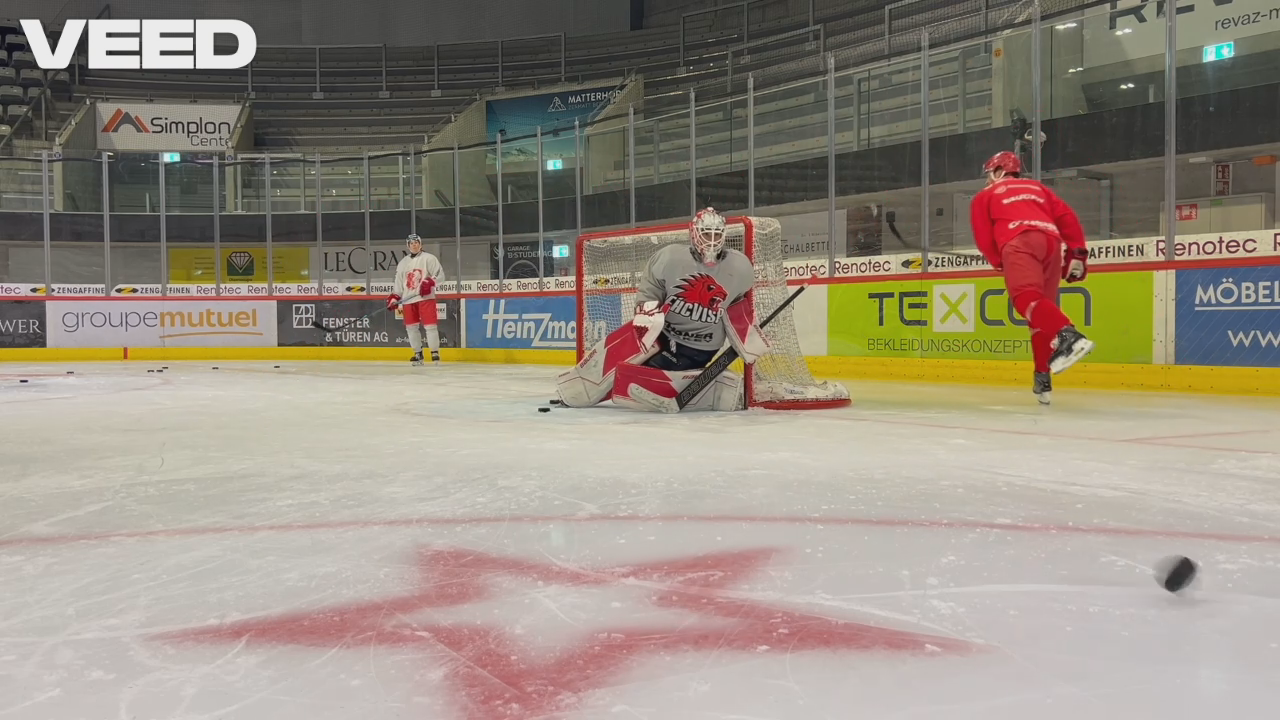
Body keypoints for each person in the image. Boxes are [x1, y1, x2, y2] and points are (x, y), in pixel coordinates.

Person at [556, 208, 770, 412]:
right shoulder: (670, 258)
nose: (711, 240)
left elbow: (738, 304)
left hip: (698, 347)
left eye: (716, 234)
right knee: (623, 348)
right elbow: (651, 289)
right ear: (694, 233)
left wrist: (746, 330)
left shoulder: (739, 267)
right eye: (706, 233)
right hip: (663, 334)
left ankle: (718, 389)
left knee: (634, 380)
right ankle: (577, 385)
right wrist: (647, 313)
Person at [969, 151, 1094, 405]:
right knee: (1038, 314)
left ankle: (1069, 335)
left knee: (1025, 299)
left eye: (989, 174)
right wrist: (1077, 251)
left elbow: (984, 236)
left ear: (998, 171)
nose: (987, 180)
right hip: (1051, 243)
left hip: (1019, 242)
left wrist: (997, 260)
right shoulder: (1038, 189)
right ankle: (1042, 376)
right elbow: (1067, 218)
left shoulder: (985, 197)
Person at [387, 234, 444, 366]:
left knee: (430, 327)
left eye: (416, 242)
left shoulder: (429, 258)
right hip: (408, 299)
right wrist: (395, 296)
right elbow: (399, 283)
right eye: (411, 243)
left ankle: (434, 353)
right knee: (411, 328)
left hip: (425, 298)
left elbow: (440, 275)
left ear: (420, 244)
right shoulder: (403, 263)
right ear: (408, 245)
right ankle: (418, 353)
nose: (414, 245)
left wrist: (430, 282)